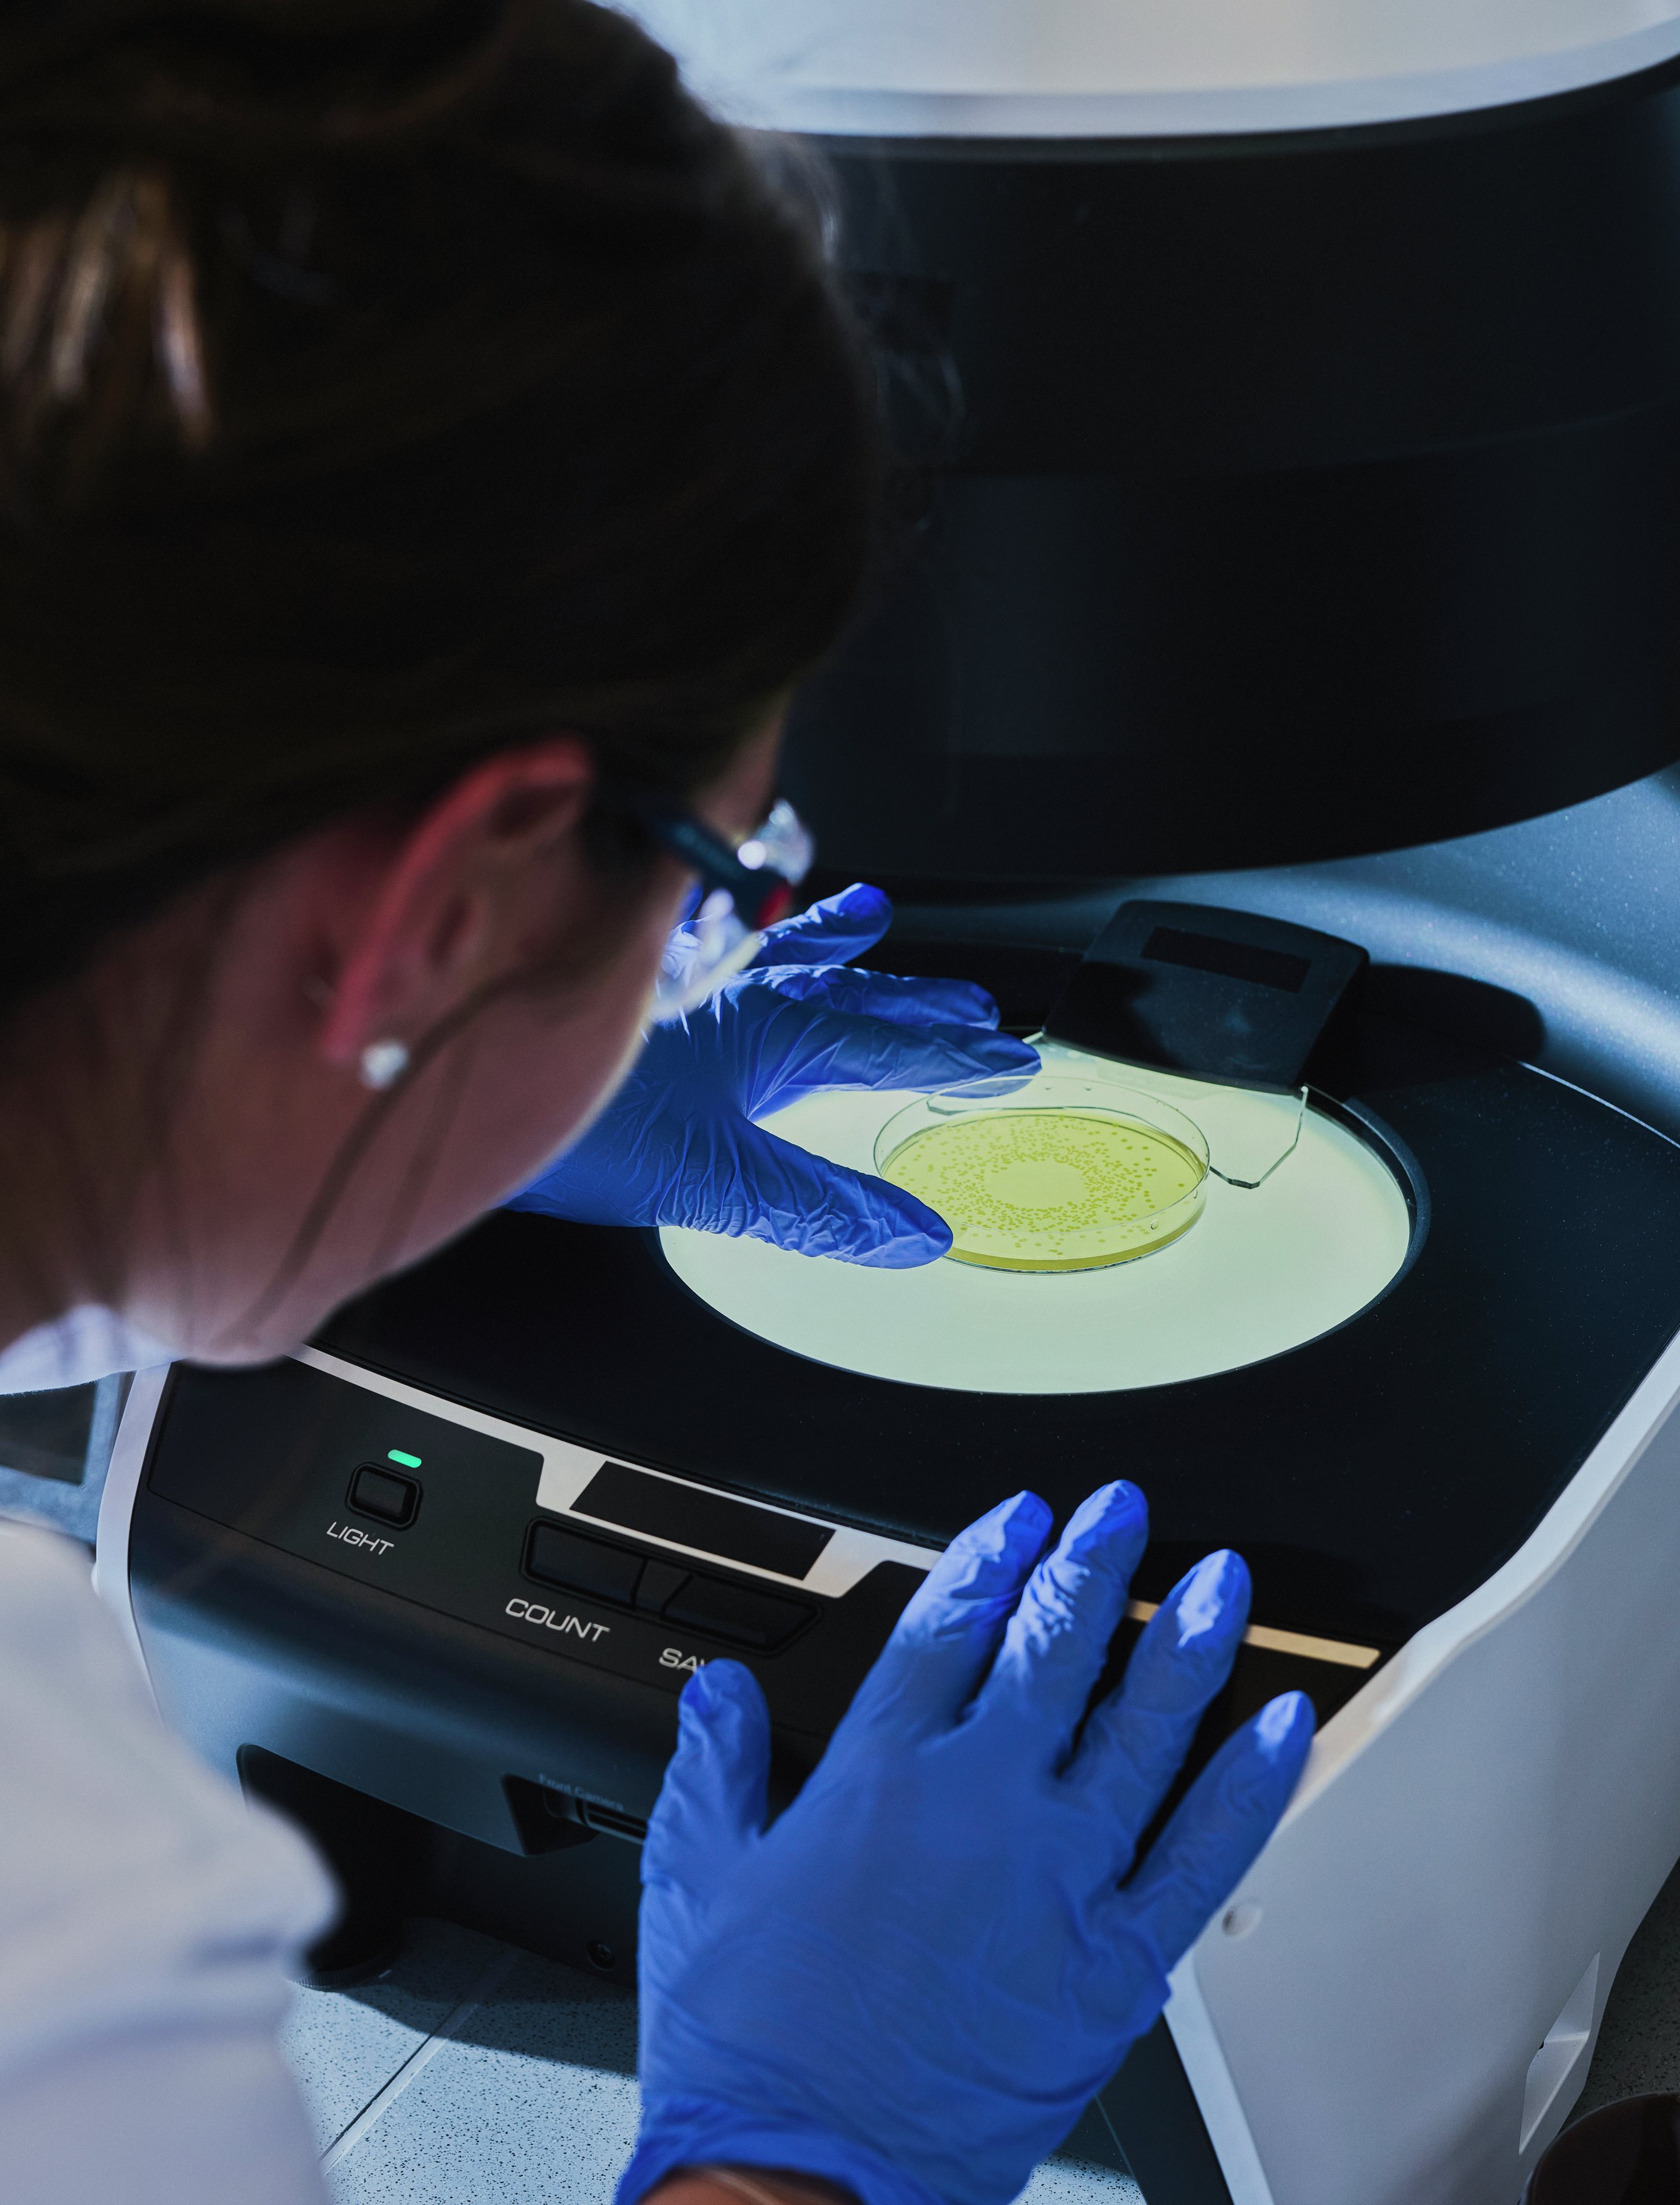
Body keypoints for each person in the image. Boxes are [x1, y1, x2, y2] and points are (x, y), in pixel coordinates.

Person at [0, 5, 1314, 2203]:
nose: (714, 947)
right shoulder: (65, 1935)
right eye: (714, 881)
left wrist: (426, 1100)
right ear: (434, 900)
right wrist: (792, 2162)